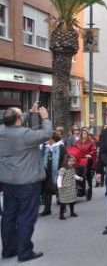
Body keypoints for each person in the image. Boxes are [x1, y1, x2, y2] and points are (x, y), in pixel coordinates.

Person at [0, 105, 51, 262]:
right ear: (18, 119)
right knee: (26, 217)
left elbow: (17, 123)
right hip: (27, 182)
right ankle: (25, 252)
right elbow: (47, 134)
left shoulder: (2, 130)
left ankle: (8, 250)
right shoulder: (25, 135)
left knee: (8, 216)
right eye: (21, 115)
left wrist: (29, 112)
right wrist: (45, 117)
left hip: (8, 181)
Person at [39, 130, 66, 216]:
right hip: (47, 171)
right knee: (47, 191)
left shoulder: (60, 147)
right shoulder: (44, 146)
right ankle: (47, 209)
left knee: (59, 190)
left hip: (58, 170)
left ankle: (63, 207)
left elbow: (64, 159)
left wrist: (62, 170)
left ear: (52, 138)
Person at [57, 155, 83, 220]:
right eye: (71, 161)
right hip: (64, 188)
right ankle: (61, 215)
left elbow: (73, 175)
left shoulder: (72, 169)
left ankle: (72, 212)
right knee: (63, 202)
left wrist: (79, 178)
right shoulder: (63, 169)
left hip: (71, 187)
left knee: (72, 201)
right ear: (66, 161)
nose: (72, 162)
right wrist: (59, 185)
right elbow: (59, 177)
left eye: (73, 161)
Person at [74, 128, 97, 201]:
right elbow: (75, 149)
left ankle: (89, 190)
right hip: (79, 159)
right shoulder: (77, 142)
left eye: (85, 133)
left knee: (87, 174)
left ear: (87, 134)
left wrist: (89, 154)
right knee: (78, 174)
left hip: (87, 159)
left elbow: (93, 150)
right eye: (83, 134)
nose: (84, 135)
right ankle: (80, 189)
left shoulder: (91, 142)